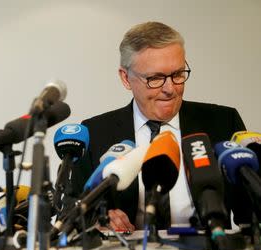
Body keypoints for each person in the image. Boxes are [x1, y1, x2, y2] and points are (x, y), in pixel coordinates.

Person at [67, 22, 246, 232]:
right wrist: (97, 220)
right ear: (126, 78)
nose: (170, 89)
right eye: (155, 78)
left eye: (178, 74)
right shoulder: (96, 132)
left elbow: (249, 207)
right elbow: (72, 207)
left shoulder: (224, 122)